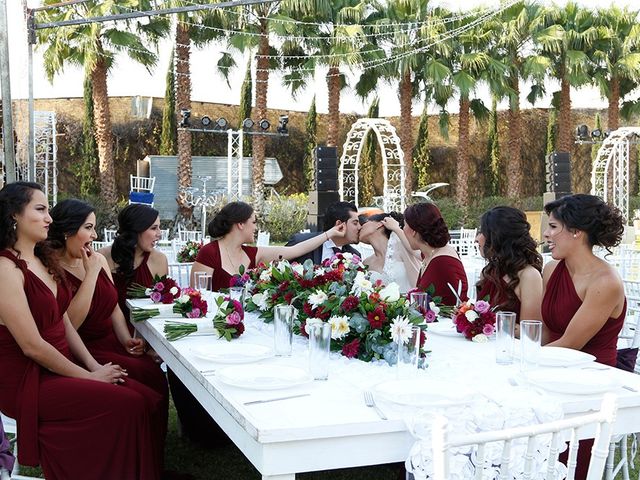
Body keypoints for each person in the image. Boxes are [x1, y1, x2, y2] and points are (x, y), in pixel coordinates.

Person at [0, 182, 161, 480]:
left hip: (58, 366)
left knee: (139, 397)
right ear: (14, 215)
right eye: (40, 209)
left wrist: (93, 365)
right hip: (28, 379)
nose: (49, 218)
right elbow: (32, 346)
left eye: (48, 210)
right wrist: (89, 377)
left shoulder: (40, 259)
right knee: (128, 404)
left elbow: (62, 323)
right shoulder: (5, 269)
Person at [48, 199, 169, 428]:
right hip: (83, 348)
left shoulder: (99, 259)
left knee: (153, 374)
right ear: (67, 231)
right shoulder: (52, 267)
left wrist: (126, 340)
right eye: (89, 228)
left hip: (111, 341)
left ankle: (154, 453)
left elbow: (113, 305)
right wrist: (91, 274)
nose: (94, 235)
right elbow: (70, 323)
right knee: (138, 391)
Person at [541, 194, 626, 480]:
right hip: (548, 375)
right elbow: (543, 330)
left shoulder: (605, 282)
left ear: (576, 232)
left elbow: (569, 346)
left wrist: (523, 363)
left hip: (588, 390)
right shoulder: (551, 269)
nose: (546, 234)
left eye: (553, 227)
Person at [190, 201, 347, 290]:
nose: (256, 227)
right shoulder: (209, 253)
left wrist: (329, 234)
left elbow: (294, 250)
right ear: (240, 224)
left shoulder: (253, 253)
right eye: (253, 222)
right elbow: (197, 294)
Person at [99, 203, 168, 325]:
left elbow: (161, 307)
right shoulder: (102, 257)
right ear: (137, 229)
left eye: (159, 227)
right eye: (153, 228)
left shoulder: (159, 260)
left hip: (144, 331)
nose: (159, 234)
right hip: (106, 330)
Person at [475, 206, 543, 321]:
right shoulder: (489, 272)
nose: (476, 239)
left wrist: (490, 325)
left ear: (498, 237)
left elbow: (529, 330)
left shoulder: (529, 276)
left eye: (482, 232)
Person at [400, 202, 468, 306]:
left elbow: (451, 304)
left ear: (413, 231)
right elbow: (413, 251)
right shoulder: (431, 254)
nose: (402, 229)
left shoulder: (442, 262)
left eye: (404, 225)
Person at [358, 212, 420, 293]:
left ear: (380, 224)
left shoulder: (401, 246)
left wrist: (396, 228)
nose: (360, 227)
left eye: (365, 223)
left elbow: (420, 255)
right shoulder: (366, 263)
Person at [285, 201, 361, 265]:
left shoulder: (354, 256)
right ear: (339, 224)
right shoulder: (300, 241)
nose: (359, 227)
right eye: (355, 223)